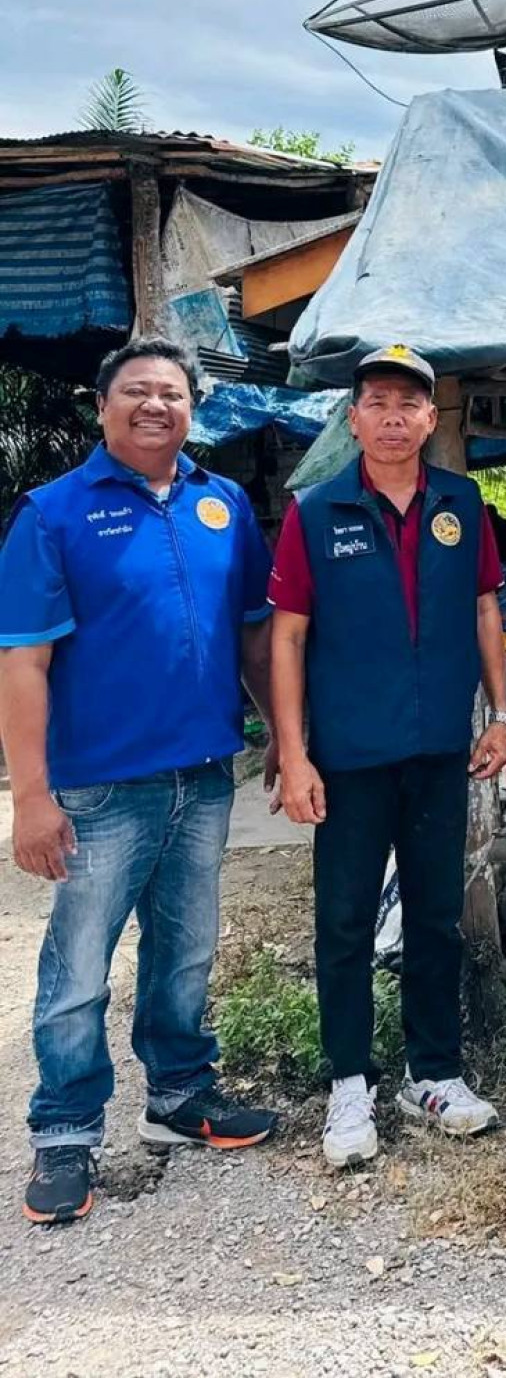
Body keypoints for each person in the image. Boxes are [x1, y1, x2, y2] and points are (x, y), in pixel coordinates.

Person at [0, 338, 279, 1227]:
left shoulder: (222, 503)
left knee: (186, 949)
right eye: (137, 392)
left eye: (173, 394)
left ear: (193, 409)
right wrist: (30, 796)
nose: (156, 405)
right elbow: (22, 663)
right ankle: (65, 1131)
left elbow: (255, 635)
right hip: (99, 788)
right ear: (102, 406)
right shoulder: (52, 514)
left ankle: (180, 1092)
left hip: (203, 775)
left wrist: (284, 734)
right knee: (80, 966)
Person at [268, 345, 506, 1168]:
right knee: (343, 922)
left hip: (440, 749)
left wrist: (501, 715)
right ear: (354, 418)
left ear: (430, 418)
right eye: (377, 403)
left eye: (409, 404)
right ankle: (349, 1083)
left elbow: (485, 609)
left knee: (436, 916)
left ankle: (433, 1073)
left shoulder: (461, 503)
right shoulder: (315, 512)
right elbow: (288, 637)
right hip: (350, 756)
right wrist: (293, 754)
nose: (394, 418)